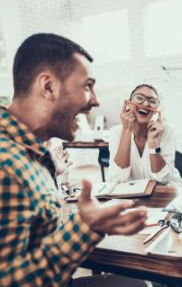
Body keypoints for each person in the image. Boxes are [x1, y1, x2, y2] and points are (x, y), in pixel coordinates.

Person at [0, 33, 148, 286]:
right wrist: (85, 227)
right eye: (87, 86)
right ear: (48, 86)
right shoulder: (7, 168)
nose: (95, 100)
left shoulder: (30, 151)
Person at [108, 84, 182, 187]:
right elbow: (117, 178)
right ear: (128, 103)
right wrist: (126, 130)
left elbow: (163, 179)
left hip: (167, 191)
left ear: (156, 108)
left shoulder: (166, 131)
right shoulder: (115, 132)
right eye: (139, 98)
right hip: (134, 194)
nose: (145, 103)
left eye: (152, 101)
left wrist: (152, 141)